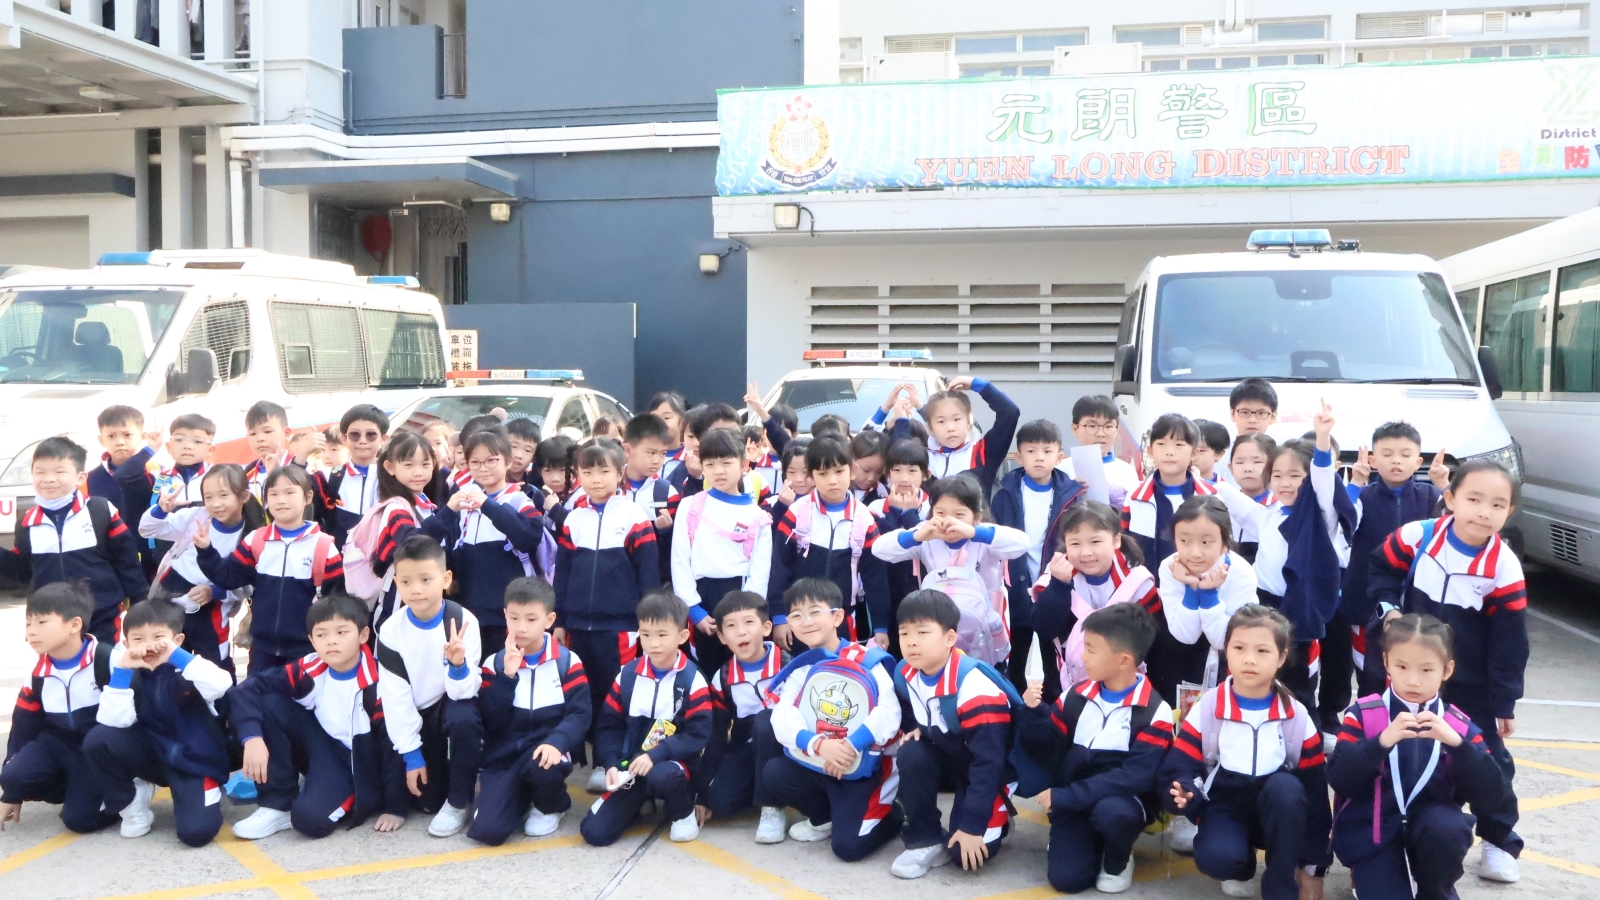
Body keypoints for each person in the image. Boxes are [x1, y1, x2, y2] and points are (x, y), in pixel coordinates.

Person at [1365, 459, 1527, 884]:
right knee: (1399, 745)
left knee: (1489, 759)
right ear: (1450, 499)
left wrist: (1504, 701)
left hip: (1470, 685)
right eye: (1474, 499)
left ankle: (1499, 839)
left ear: (1509, 512)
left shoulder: (1503, 567)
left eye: (1497, 504)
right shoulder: (1417, 536)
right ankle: (1389, 828)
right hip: (1410, 673)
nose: (1484, 512)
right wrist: (1388, 610)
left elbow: (1510, 643)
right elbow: (1379, 569)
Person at [1328, 613, 1505, 900]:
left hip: (1434, 834)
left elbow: (1492, 794)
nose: (1413, 680)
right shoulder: (1363, 714)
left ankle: (1435, 885)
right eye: (1401, 666)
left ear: (1447, 670)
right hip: (1373, 835)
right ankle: (1368, 873)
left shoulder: (1458, 725)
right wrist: (1380, 743)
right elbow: (1339, 779)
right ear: (1386, 662)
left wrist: (1457, 745)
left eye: (1426, 670)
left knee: (1447, 828)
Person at [1161, 604, 1331, 900]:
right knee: (1217, 858)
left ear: (1282, 657)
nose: (1249, 659)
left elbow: (1316, 796)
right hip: (1225, 806)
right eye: (1239, 648)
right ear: (1227, 650)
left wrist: (1313, 868)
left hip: (1278, 813)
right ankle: (1240, 866)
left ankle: (1280, 884)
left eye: (1263, 651)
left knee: (1287, 789)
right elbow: (1180, 766)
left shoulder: (1297, 716)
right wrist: (1185, 790)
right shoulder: (1207, 708)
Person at [1017, 603, 1174, 894]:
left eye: (1090, 649)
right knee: (1067, 880)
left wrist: (1066, 796)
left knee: (1114, 814)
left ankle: (1118, 859)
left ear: (1124, 660)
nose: (1082, 656)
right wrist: (1034, 713)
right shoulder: (1074, 696)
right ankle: (1086, 842)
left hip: (1121, 802)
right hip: (1075, 800)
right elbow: (1046, 749)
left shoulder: (1155, 711)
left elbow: (1134, 778)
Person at [230, 593, 408, 839]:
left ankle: (332, 792)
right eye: (321, 635)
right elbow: (246, 690)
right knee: (271, 702)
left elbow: (393, 744)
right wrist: (251, 738)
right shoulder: (309, 667)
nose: (331, 641)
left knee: (309, 821)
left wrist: (395, 807)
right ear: (312, 641)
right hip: (322, 747)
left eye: (342, 632)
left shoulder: (379, 681)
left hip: (356, 764)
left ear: (363, 635)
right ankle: (277, 803)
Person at [763, 578, 903, 862]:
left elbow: (890, 712)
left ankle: (893, 815)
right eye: (796, 615)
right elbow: (781, 716)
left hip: (863, 766)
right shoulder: (802, 666)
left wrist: (849, 747)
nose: (806, 622)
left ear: (838, 616)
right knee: (775, 773)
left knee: (848, 848)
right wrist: (818, 745)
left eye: (815, 612)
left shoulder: (867, 659)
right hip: (820, 760)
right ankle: (824, 816)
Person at [1232, 401, 1355, 718]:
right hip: (1265, 606)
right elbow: (1238, 506)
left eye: (1295, 475)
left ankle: (1306, 735)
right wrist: (1200, 480)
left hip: (1301, 608)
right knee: (1263, 673)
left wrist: (1322, 438)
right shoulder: (1269, 513)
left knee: (1299, 682)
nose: (1285, 483)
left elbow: (1325, 479)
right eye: (1277, 475)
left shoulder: (1321, 514)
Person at [553, 440, 661, 790]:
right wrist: (560, 621)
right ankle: (587, 759)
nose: (596, 479)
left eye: (604, 471)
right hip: (578, 626)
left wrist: (646, 623)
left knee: (617, 696)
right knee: (585, 694)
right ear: (578, 475)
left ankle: (611, 761)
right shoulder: (573, 518)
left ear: (619, 473)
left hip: (621, 627)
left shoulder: (634, 517)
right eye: (588, 471)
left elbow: (648, 576)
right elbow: (562, 574)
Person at [82, 598, 233, 846]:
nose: (149, 645)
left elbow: (222, 684)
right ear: (126, 643)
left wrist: (177, 656)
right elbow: (113, 721)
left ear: (178, 640)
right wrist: (123, 671)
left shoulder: (191, 668)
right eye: (138, 639)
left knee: (196, 833)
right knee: (98, 739)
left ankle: (207, 789)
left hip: (194, 762)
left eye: (158, 638)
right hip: (152, 758)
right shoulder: (127, 673)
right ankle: (132, 800)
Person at [890, 590, 1020, 879]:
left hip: (987, 771)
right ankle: (925, 839)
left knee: (964, 856)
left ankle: (997, 818)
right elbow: (913, 703)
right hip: (952, 756)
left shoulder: (976, 690)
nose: (911, 641)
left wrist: (972, 825)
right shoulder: (905, 672)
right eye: (904, 633)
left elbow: (989, 762)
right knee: (911, 752)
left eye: (923, 632)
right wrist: (920, 727)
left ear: (950, 638)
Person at [580, 590, 714, 846]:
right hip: (631, 767)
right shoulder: (627, 675)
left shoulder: (693, 680)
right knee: (594, 832)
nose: (653, 644)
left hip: (674, 765)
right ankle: (640, 803)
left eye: (662, 635)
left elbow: (697, 735)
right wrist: (611, 763)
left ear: (682, 636)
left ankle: (681, 812)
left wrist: (655, 755)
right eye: (646, 634)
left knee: (662, 774)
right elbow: (609, 726)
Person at [469, 577, 591, 845]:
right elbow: (491, 720)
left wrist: (557, 741)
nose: (521, 627)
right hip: (504, 757)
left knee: (543, 766)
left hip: (545, 750)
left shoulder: (567, 661)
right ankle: (520, 794)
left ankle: (552, 805)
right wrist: (507, 676)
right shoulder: (494, 663)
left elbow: (580, 714)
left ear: (549, 620)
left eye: (531, 619)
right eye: (514, 618)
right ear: (505, 615)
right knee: (488, 831)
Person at [375, 536, 483, 838]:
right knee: (426, 802)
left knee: (465, 716)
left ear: (445, 579)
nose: (416, 589)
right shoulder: (391, 630)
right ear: (396, 583)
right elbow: (396, 698)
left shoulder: (462, 620)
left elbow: (465, 692)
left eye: (425, 579)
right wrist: (412, 756)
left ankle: (459, 801)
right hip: (414, 714)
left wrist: (458, 665)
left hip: (449, 705)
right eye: (406, 581)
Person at [196, 465, 343, 674]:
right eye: (273, 494)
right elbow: (228, 577)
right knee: (258, 692)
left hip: (307, 649)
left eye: (289, 493)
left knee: (301, 694)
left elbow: (336, 600)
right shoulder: (256, 540)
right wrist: (206, 550)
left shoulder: (324, 546)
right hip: (262, 649)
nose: (281, 500)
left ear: (308, 497)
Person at [0, 583, 121, 836]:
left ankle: (118, 791)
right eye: (28, 624)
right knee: (12, 775)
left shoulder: (108, 660)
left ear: (74, 624)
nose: (31, 632)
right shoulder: (37, 675)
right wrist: (12, 792)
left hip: (98, 751)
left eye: (42, 622)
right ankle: (81, 791)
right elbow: (22, 728)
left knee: (79, 821)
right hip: (60, 744)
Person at [872, 473, 1028, 667]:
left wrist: (974, 532)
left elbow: (1022, 543)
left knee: (988, 673)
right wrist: (916, 536)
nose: (949, 521)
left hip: (984, 629)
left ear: (977, 516)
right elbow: (879, 549)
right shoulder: (927, 535)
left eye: (959, 515)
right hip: (939, 627)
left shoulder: (985, 535)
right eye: (940, 513)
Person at [0, 437, 147, 643]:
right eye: (40, 472)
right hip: (49, 620)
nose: (48, 479)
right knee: (56, 663)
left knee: (101, 660)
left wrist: (141, 605)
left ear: (80, 478)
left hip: (101, 615)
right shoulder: (27, 522)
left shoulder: (100, 511)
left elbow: (127, 562)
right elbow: (22, 571)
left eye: (59, 472)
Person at [1342, 422, 1445, 700]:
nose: (1396, 461)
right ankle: (1370, 722)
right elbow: (1341, 522)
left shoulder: (1431, 496)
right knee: (1369, 673)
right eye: (1387, 454)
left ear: (1419, 462)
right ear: (1372, 460)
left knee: (1413, 672)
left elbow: (1457, 521)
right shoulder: (1363, 497)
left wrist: (1444, 486)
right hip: (1365, 601)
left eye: (1405, 454)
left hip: (1417, 603)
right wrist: (1356, 483)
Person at [1028, 502, 1159, 703]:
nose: (1086, 552)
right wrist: (1059, 585)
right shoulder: (1055, 576)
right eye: (1075, 544)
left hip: (1126, 688)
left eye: (1095, 541)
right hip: (1069, 688)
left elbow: (1154, 642)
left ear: (1116, 540)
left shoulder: (1138, 581)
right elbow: (1044, 629)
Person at [768, 436, 890, 651]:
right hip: (800, 619)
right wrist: (779, 617)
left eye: (839, 471)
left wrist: (880, 626)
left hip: (842, 617)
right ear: (812, 476)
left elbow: (875, 577)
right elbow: (780, 567)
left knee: (841, 666)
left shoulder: (864, 519)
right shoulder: (797, 514)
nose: (832, 480)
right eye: (823, 474)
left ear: (852, 471)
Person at [141, 464, 264, 674]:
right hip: (171, 590)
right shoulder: (197, 516)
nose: (216, 504)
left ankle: (219, 697)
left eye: (223, 495)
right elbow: (147, 529)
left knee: (215, 664)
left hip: (212, 603)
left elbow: (249, 584)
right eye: (208, 497)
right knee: (167, 657)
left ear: (244, 496)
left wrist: (215, 591)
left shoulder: (253, 535)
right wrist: (161, 510)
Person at [434, 427, 547, 652]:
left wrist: (488, 506)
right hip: (471, 609)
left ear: (507, 461)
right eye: (475, 462)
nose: (482, 468)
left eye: (491, 460)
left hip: (507, 611)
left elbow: (530, 537)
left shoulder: (518, 500)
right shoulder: (465, 503)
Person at [671, 427, 773, 675]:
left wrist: (748, 615)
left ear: (744, 465)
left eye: (726, 463)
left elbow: (760, 572)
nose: (718, 471)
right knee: (707, 672)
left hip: (742, 596)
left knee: (742, 669)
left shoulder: (758, 516)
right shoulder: (689, 506)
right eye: (710, 464)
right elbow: (680, 560)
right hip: (702, 599)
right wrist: (694, 611)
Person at [991, 418, 1082, 689]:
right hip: (1014, 585)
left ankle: (1053, 708)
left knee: (1052, 656)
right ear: (1019, 456)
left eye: (1047, 451)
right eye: (1031, 451)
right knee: (1016, 658)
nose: (1039, 457)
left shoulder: (1071, 495)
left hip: (1053, 584)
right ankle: (1017, 707)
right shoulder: (1004, 493)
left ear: (1059, 457)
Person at [693, 591, 787, 842]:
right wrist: (702, 794)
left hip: (789, 750)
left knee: (765, 720)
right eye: (731, 626)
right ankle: (760, 787)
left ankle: (771, 807)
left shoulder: (789, 666)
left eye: (749, 622)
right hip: (748, 749)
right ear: (722, 637)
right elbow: (716, 736)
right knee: (718, 801)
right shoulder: (722, 678)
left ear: (766, 628)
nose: (741, 632)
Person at [1151, 497, 1259, 709]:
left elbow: (1221, 641)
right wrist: (1192, 590)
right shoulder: (1169, 567)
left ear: (1225, 543)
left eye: (1206, 542)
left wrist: (1209, 595)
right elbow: (1185, 636)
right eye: (1184, 541)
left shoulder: (1241, 575)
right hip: (1181, 652)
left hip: (1226, 658)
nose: (1195, 553)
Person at [362, 431, 450, 628]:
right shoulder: (396, 507)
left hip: (423, 588)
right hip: (401, 589)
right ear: (390, 467)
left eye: (425, 464)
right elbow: (411, 544)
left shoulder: (425, 502)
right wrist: (449, 512)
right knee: (394, 632)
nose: (418, 472)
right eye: (409, 465)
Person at [869, 438, 930, 653]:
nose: (904, 478)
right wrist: (895, 513)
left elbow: (926, 546)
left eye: (912, 471)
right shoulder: (876, 507)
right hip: (887, 589)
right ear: (887, 473)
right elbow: (880, 549)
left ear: (925, 474)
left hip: (924, 591)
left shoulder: (933, 507)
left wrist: (911, 514)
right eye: (897, 470)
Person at [90, 405, 161, 577]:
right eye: (111, 436)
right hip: (112, 556)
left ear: (142, 437)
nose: (120, 442)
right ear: (101, 440)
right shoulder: (90, 479)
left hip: (151, 554)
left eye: (127, 435)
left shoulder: (158, 472)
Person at [307, 404, 390, 548]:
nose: (362, 440)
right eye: (355, 435)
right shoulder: (327, 477)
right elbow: (294, 491)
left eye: (371, 435)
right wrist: (301, 457)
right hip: (338, 556)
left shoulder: (393, 477)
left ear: (383, 439)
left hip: (382, 557)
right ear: (344, 439)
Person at [921, 377, 1019, 494]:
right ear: (930, 428)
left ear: (969, 422)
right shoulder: (922, 458)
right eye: (941, 421)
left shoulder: (983, 452)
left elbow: (1010, 413)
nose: (950, 428)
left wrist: (978, 385)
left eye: (957, 419)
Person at [621, 413, 681, 581]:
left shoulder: (667, 493)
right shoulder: (610, 488)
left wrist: (664, 530)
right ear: (627, 450)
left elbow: (674, 548)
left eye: (663, 453)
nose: (657, 460)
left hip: (653, 579)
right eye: (651, 452)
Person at [1060, 395, 1141, 507]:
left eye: (1108, 426)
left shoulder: (1126, 471)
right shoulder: (1061, 470)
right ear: (1075, 429)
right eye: (1092, 426)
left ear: (1117, 430)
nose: (1101, 434)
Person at [1225, 434, 1277, 562]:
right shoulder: (1222, 506)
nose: (1248, 468)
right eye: (1240, 462)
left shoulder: (1280, 508)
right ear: (1231, 468)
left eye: (1257, 462)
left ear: (1274, 466)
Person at [243, 401, 294, 503]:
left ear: (286, 433)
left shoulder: (298, 467)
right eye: (253, 434)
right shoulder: (246, 474)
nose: (260, 438)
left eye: (267, 431)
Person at [646, 391, 690, 479]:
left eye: (666, 418)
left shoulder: (691, 458)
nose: (660, 423)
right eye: (654, 418)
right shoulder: (642, 456)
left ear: (682, 422)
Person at [848, 430, 889, 504]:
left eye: (879, 471)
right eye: (866, 470)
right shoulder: (838, 490)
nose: (871, 478)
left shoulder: (884, 494)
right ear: (851, 460)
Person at [505, 417, 541, 493]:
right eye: (513, 446)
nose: (518, 455)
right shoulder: (483, 481)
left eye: (527, 450)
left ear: (534, 458)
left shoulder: (533, 493)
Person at [1193, 419, 1230, 485]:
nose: (1193, 456)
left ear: (1218, 454)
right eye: (1190, 449)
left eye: (1201, 450)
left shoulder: (1223, 489)